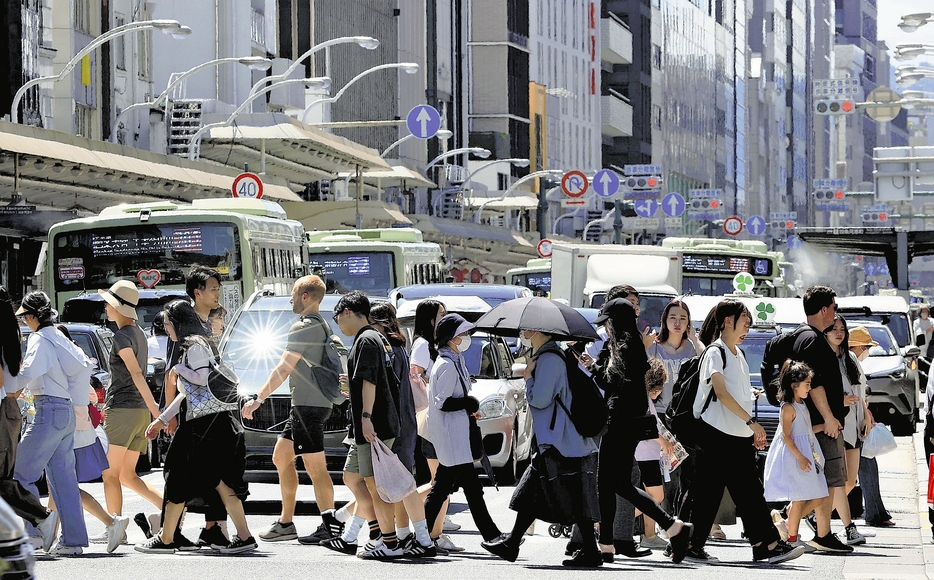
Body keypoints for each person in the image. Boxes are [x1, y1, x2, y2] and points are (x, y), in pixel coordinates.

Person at [678, 299, 804, 565]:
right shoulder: (716, 351)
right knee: (745, 491)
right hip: (718, 433)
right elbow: (721, 393)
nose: (747, 329)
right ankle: (766, 544)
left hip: (735, 435)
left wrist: (749, 413)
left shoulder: (739, 354)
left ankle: (690, 544)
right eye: (744, 323)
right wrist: (751, 423)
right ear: (727, 322)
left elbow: (735, 392)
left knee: (710, 492)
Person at [137, 300, 256, 554]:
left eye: (168, 323)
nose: (166, 328)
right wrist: (161, 419)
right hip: (212, 424)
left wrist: (178, 369)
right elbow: (188, 394)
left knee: (179, 477)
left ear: (178, 323)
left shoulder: (193, 346)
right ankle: (244, 537)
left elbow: (200, 380)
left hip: (203, 427)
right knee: (221, 482)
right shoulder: (198, 344)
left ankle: (167, 539)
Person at [322, 291, 435, 559]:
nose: (339, 324)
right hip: (382, 423)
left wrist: (365, 417)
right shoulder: (373, 340)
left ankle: (390, 541)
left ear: (348, 312)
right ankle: (374, 533)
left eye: (338, 318)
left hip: (377, 425)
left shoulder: (368, 341)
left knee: (379, 485)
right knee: (362, 480)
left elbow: (371, 382)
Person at [482, 326, 601, 567]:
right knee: (536, 490)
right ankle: (513, 543)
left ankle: (589, 550)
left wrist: (528, 378)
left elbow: (540, 399)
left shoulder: (548, 359)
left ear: (537, 331)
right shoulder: (551, 355)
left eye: (527, 328)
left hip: (559, 440)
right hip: (561, 439)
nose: (523, 331)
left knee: (557, 492)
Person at [588, 298, 692, 562]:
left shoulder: (627, 346)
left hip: (621, 423)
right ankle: (611, 543)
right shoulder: (627, 344)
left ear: (616, 322)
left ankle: (668, 527)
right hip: (627, 423)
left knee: (612, 483)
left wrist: (593, 367)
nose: (606, 327)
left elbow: (612, 382)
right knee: (615, 483)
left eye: (608, 322)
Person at [242, 276, 340, 546]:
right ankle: (286, 522)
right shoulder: (322, 324)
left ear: (306, 297)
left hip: (309, 406)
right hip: (307, 404)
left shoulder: (303, 327)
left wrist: (257, 398)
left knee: (315, 467)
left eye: (295, 294)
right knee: (281, 456)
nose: (291, 299)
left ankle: (330, 525)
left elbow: (284, 368)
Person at [157, 266, 228, 548]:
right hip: (188, 409)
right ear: (196, 293)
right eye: (212, 290)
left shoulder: (206, 326)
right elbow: (172, 375)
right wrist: (168, 414)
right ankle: (182, 530)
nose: (217, 295)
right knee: (188, 472)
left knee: (187, 472)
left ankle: (191, 530)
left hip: (204, 411)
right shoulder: (184, 328)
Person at [14, 291, 89, 556]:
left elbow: (30, 371)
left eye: (24, 317)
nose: (24, 322)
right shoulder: (57, 336)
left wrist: (10, 387)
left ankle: (34, 533)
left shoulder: (39, 338)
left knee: (20, 475)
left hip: (47, 409)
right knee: (64, 480)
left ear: (33, 316)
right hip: (65, 409)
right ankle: (73, 541)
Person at [422, 314, 502, 552]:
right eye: (462, 334)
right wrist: (469, 403)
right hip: (450, 435)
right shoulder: (446, 365)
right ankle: (493, 537)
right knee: (465, 490)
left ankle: (420, 536)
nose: (466, 338)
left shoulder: (453, 361)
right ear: (451, 338)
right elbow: (443, 402)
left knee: (444, 490)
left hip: (456, 434)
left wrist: (469, 406)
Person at [51, 325, 129, 554]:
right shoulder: (77, 360)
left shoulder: (67, 365)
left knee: (61, 485)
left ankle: (52, 534)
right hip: (77, 432)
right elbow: (92, 396)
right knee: (61, 486)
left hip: (70, 433)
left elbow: (87, 395)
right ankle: (50, 534)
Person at [787, 286, 854, 553]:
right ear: (825, 309)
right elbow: (814, 385)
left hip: (814, 423)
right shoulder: (813, 340)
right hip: (821, 425)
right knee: (827, 482)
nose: (835, 313)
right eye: (834, 308)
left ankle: (823, 533)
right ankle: (786, 525)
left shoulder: (802, 336)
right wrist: (828, 418)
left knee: (827, 482)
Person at [97, 281, 163, 521]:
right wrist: (153, 410)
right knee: (128, 475)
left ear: (118, 308)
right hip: (138, 412)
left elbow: (136, 373)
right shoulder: (139, 334)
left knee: (110, 473)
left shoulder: (121, 337)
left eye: (109, 303)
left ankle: (114, 524)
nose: (105, 307)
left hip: (123, 411)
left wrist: (157, 411)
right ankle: (170, 510)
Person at [0, 287, 58, 551]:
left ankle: (42, 517)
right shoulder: (11, 334)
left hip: (3, 410)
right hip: (9, 409)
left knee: (2, 481)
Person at [368, 303, 421, 550]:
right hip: (404, 421)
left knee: (401, 484)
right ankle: (405, 534)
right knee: (401, 483)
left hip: (395, 423)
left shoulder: (388, 349)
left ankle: (420, 537)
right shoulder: (399, 347)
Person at [409, 299, 460, 550]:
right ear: (430, 319)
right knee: (439, 481)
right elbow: (415, 379)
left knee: (442, 482)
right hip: (429, 419)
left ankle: (435, 534)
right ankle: (403, 510)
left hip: (440, 419)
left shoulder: (439, 347)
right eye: (441, 313)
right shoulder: (422, 345)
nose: (444, 317)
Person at [763, 361, 828, 552]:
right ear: (794, 385)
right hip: (795, 457)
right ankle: (792, 538)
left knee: (820, 495)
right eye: (806, 384)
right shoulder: (788, 407)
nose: (809, 387)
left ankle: (788, 520)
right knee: (800, 498)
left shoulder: (801, 404)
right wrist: (799, 457)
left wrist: (822, 427)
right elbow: (787, 436)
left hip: (806, 454)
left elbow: (804, 431)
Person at [824, 316, 870, 545]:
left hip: (855, 424)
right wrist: (839, 402)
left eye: (843, 329)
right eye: (834, 329)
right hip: (835, 426)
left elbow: (861, 392)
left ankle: (801, 515)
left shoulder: (850, 357)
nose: (839, 333)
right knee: (839, 481)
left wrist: (867, 416)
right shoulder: (823, 358)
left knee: (850, 480)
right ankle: (848, 527)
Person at [850, 328, 895, 529]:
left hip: (859, 421)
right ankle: (875, 513)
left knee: (867, 467)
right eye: (867, 347)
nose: (868, 351)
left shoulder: (852, 361)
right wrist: (866, 415)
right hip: (855, 423)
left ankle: (876, 512)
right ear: (859, 346)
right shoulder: (851, 362)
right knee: (864, 469)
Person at [634, 358, 674, 550]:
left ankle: (649, 535)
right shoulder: (644, 399)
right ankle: (607, 521)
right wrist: (664, 442)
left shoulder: (643, 398)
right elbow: (647, 427)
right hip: (646, 456)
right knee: (655, 497)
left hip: (644, 455)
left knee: (648, 496)